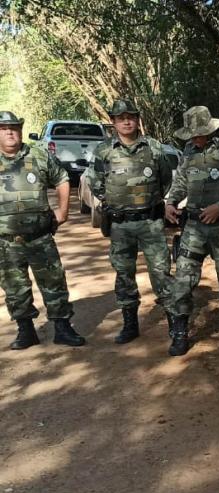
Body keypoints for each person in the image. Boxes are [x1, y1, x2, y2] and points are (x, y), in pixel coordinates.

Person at [85, 99, 176, 344]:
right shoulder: (104, 150)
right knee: (124, 273)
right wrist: (110, 201)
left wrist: (154, 200)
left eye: (131, 117)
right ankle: (129, 323)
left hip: (150, 222)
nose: (126, 121)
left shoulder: (154, 147)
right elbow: (94, 180)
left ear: (137, 120)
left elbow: (165, 179)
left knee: (161, 272)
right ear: (113, 122)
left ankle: (175, 324)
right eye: (121, 117)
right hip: (120, 224)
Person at [165, 106, 219, 357]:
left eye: (199, 133)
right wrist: (171, 203)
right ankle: (180, 332)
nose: (195, 138)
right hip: (193, 228)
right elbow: (180, 182)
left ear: (210, 130)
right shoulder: (189, 152)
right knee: (183, 279)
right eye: (191, 134)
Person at [0, 110, 85, 349]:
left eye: (13, 127)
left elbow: (62, 179)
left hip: (40, 237)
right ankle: (25, 331)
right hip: (5, 242)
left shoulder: (37, 155)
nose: (9, 132)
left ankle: (62, 328)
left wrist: (63, 211)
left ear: (20, 130)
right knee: (15, 288)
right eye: (3, 128)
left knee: (54, 282)